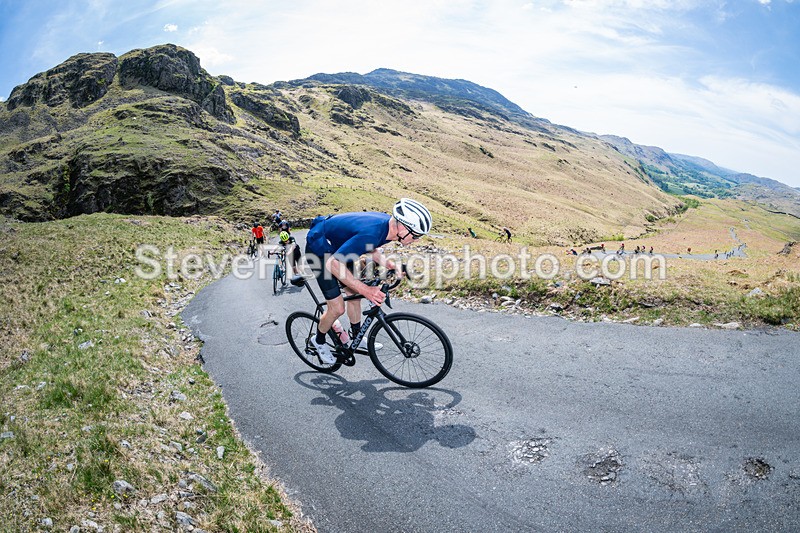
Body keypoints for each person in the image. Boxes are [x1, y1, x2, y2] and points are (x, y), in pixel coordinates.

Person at [305, 198, 432, 364]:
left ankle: (356, 336)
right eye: (415, 236)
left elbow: (369, 246)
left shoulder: (389, 228)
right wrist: (366, 289)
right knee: (337, 307)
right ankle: (318, 341)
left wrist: (388, 264)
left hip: (340, 247)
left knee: (354, 295)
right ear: (402, 227)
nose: (416, 240)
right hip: (321, 251)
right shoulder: (372, 232)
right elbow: (333, 264)